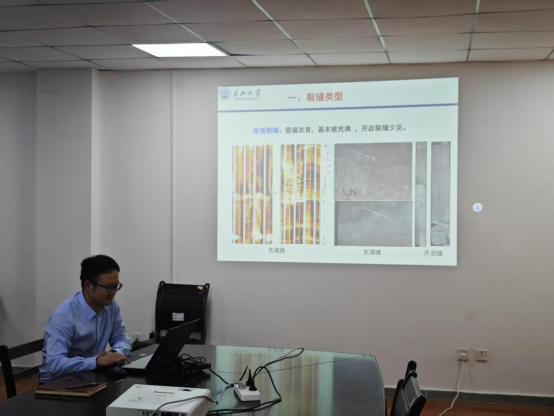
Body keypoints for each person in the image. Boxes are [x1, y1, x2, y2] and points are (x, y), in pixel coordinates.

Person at [39, 255, 132, 382]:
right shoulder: (64, 316)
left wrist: (114, 353)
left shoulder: (111, 305)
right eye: (109, 287)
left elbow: (122, 338)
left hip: (90, 377)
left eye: (116, 286)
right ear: (88, 285)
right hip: (57, 385)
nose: (113, 292)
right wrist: (96, 361)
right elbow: (54, 364)